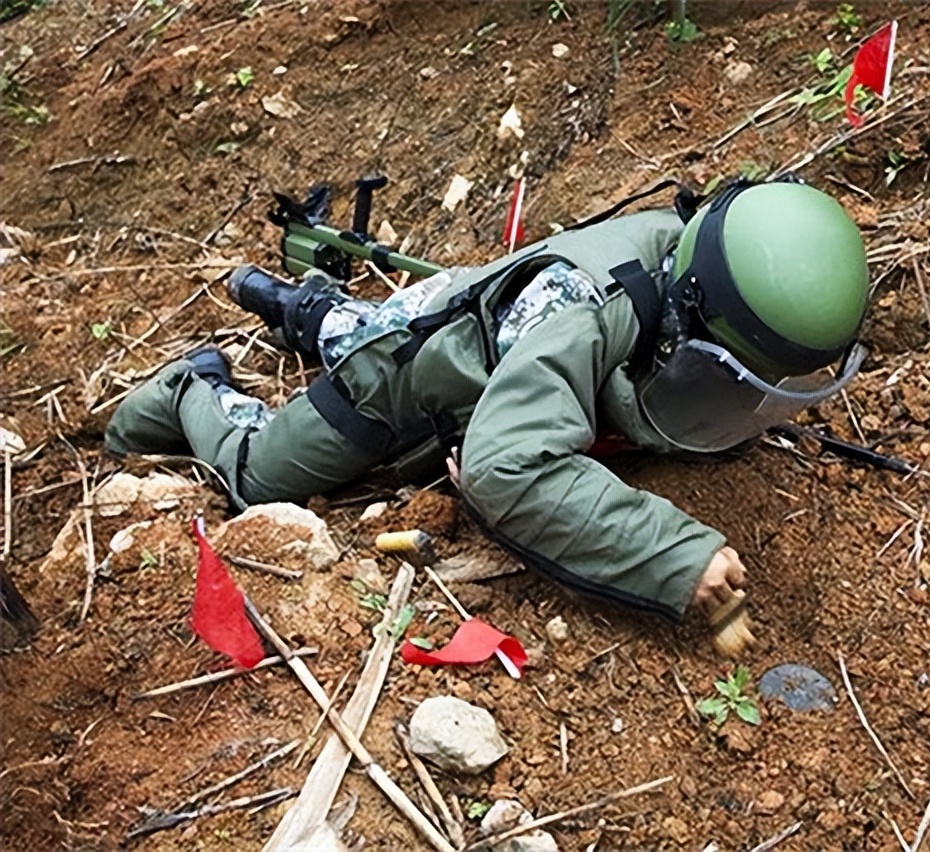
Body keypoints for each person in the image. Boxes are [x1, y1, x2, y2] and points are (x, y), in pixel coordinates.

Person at [105, 180, 870, 653]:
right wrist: (676, 553)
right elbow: (508, 468)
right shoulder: (584, 313)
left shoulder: (705, 253)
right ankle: (189, 383)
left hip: (478, 323)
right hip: (400, 369)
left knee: (342, 321)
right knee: (260, 475)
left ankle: (307, 309)